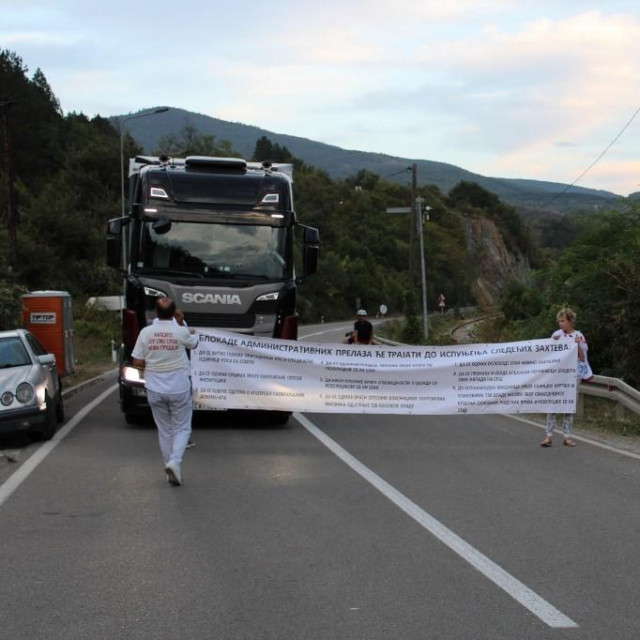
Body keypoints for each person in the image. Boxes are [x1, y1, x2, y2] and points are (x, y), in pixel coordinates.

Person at [132, 297, 199, 485]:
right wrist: (182, 322)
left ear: (156, 312)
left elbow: (137, 361)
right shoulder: (180, 331)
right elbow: (193, 343)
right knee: (183, 428)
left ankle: (170, 467)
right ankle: (175, 462)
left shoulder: (146, 333)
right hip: (179, 388)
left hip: (154, 388)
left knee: (164, 431)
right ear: (174, 312)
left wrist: (153, 364)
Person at [540, 307, 593, 448]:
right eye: (559, 321)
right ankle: (548, 436)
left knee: (569, 405)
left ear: (571, 321)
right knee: (552, 404)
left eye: (563, 321)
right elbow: (548, 354)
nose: (560, 324)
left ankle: (567, 436)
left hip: (573, 376)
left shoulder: (579, 336)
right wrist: (554, 343)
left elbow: (583, 358)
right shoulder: (556, 334)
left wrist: (577, 346)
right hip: (557, 375)